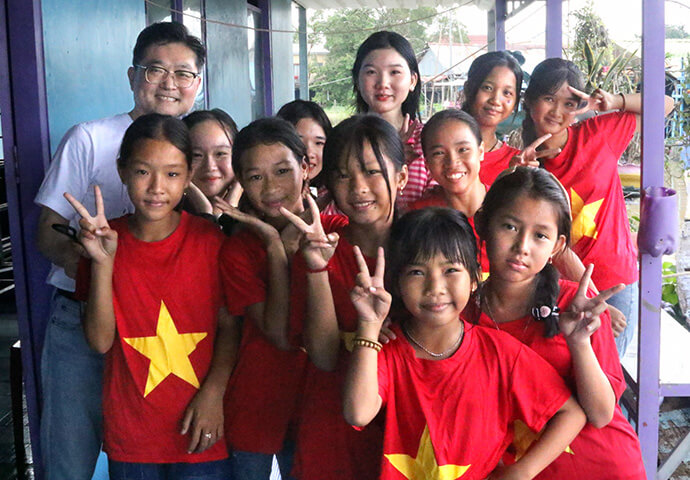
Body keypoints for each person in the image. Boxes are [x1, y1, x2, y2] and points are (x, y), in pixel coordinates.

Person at [33, 22, 205, 479]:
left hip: (170, 330)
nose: (170, 83)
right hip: (82, 321)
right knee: (71, 460)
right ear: (133, 77)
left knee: (153, 453)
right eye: (156, 70)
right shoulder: (88, 138)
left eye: (183, 73)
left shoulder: (196, 149)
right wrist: (109, 278)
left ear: (197, 85)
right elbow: (48, 233)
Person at [342, 207, 586, 480]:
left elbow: (571, 413)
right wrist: (369, 324)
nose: (435, 287)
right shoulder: (386, 349)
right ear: (397, 284)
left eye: (450, 270)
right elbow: (358, 413)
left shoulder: (500, 352)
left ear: (473, 279)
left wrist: (522, 472)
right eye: (416, 272)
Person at [67, 114, 235, 479]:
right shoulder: (103, 241)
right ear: (122, 170)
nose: (157, 187)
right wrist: (103, 263)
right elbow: (98, 342)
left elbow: (230, 325)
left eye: (172, 174)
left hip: (200, 428)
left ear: (189, 176)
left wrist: (214, 394)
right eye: (143, 172)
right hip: (133, 435)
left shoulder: (209, 242)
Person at [470, 166, 646, 478]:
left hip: (602, 467)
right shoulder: (461, 314)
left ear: (557, 245)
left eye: (540, 235)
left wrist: (578, 342)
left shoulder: (576, 307)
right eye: (509, 227)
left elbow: (602, 414)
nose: (522, 246)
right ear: (483, 223)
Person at [517, 57, 674, 357]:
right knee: (573, 384)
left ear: (579, 106)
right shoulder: (524, 164)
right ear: (530, 100)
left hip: (615, 285)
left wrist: (614, 101)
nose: (557, 111)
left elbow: (665, 106)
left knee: (606, 385)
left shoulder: (598, 135)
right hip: (559, 291)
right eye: (549, 99)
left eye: (568, 103)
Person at [283, 114, 408, 480]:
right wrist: (317, 269)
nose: (357, 187)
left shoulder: (425, 249)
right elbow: (322, 357)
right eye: (341, 174)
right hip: (330, 430)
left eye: (372, 171)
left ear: (401, 177)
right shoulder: (320, 247)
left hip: (404, 433)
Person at [215, 117, 313, 479]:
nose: (271, 188)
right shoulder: (239, 250)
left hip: (316, 403)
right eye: (255, 177)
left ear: (306, 167)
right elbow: (278, 333)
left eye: (283, 170)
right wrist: (276, 248)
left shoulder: (332, 232)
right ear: (241, 182)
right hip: (257, 400)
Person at [352, 31, 431, 212]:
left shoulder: (429, 140)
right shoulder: (343, 139)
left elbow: (439, 203)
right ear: (357, 80)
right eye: (371, 72)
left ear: (412, 81)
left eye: (394, 72)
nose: (383, 83)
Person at [408, 109, 489, 274]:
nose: (452, 162)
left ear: (480, 151)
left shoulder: (505, 208)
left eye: (463, 149)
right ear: (427, 164)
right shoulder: (419, 216)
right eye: (438, 153)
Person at [461, 51, 524, 185]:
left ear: (515, 102)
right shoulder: (439, 149)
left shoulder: (517, 162)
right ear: (468, 89)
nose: (496, 100)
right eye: (487, 88)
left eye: (507, 93)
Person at [182, 109, 241, 218]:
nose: (210, 166)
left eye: (220, 154)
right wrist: (206, 213)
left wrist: (231, 210)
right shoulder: (165, 214)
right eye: (197, 155)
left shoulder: (260, 211)